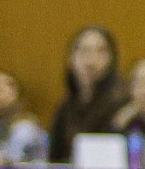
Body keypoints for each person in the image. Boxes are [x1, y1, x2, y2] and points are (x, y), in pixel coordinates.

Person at [47, 25, 124, 161]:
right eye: (84, 51)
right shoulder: (65, 108)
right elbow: (54, 157)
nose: (91, 61)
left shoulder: (122, 104)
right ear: (71, 59)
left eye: (100, 52)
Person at [0, 71, 48, 168]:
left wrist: (1, 161)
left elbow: (27, 165)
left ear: (20, 96)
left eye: (7, 85)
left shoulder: (28, 129)